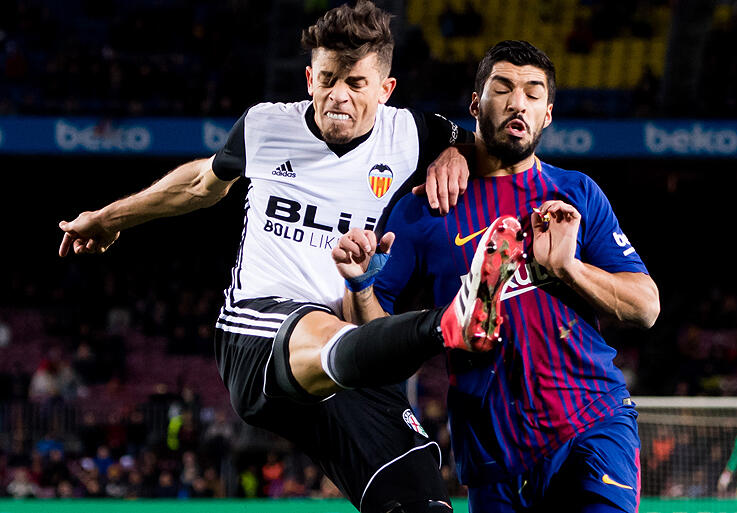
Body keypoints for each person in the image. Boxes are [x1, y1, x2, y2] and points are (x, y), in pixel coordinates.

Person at [57, 2, 515, 512]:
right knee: (332, 334)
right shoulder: (266, 125)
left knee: (417, 497)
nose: (338, 95)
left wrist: (455, 150)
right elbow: (199, 185)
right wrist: (107, 218)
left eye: (356, 83)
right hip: (257, 335)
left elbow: (475, 142)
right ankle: (448, 323)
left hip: (348, 353)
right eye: (328, 79)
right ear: (310, 79)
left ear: (385, 90)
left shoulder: (408, 133)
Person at [334, 40, 660, 513]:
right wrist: (360, 285)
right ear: (475, 104)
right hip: (493, 451)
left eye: (533, 93)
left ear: (547, 115)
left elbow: (646, 306)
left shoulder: (576, 193)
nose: (517, 102)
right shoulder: (425, 207)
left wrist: (568, 268)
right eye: (503, 88)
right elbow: (370, 339)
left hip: (592, 422)